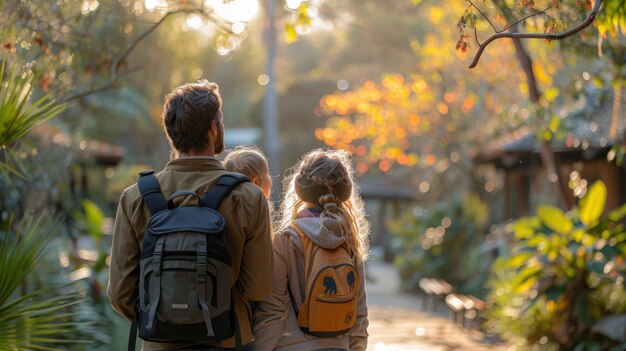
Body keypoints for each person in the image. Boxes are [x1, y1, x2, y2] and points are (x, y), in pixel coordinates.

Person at [107, 80, 273, 351]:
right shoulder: (248, 196)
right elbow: (258, 287)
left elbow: (120, 294)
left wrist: (167, 317)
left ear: (170, 132)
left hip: (160, 344)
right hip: (229, 340)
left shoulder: (135, 197)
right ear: (213, 128)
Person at [253, 148, 370, 351]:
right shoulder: (349, 239)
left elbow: (273, 313)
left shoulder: (285, 241)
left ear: (300, 189)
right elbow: (359, 313)